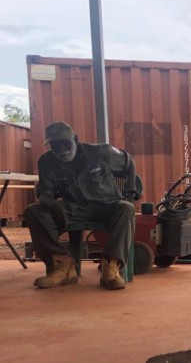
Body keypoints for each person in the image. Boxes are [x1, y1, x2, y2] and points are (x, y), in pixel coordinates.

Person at [25, 121, 139, 290]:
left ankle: (111, 267)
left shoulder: (101, 151)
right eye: (55, 145)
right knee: (33, 211)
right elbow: (44, 192)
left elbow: (129, 162)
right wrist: (52, 204)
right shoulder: (46, 161)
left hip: (106, 206)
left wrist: (131, 188)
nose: (61, 149)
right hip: (72, 209)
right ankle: (63, 264)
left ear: (76, 139)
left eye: (65, 143)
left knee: (126, 208)